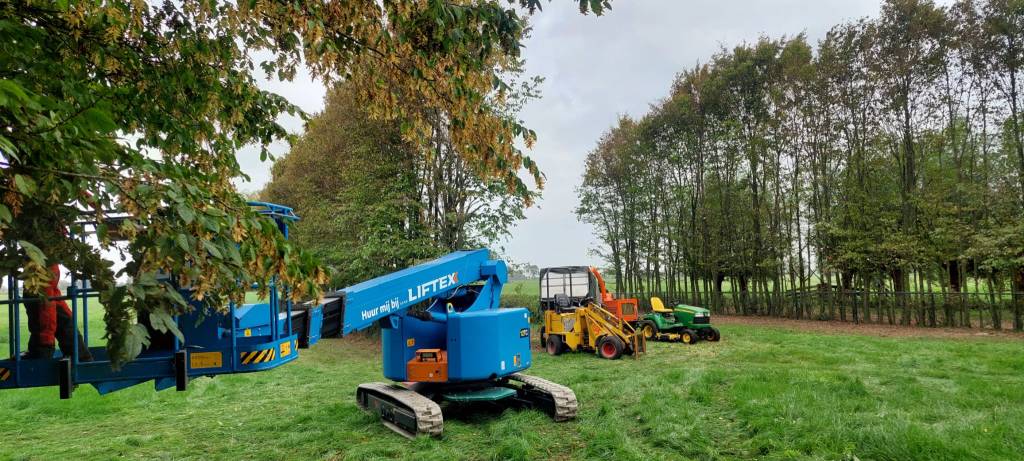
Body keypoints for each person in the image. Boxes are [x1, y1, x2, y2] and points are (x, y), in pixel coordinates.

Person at [23, 264, 92, 362]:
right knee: (60, 315)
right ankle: (82, 358)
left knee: (45, 309)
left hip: (40, 274)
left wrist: (43, 346)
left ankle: (42, 355)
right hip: (41, 274)